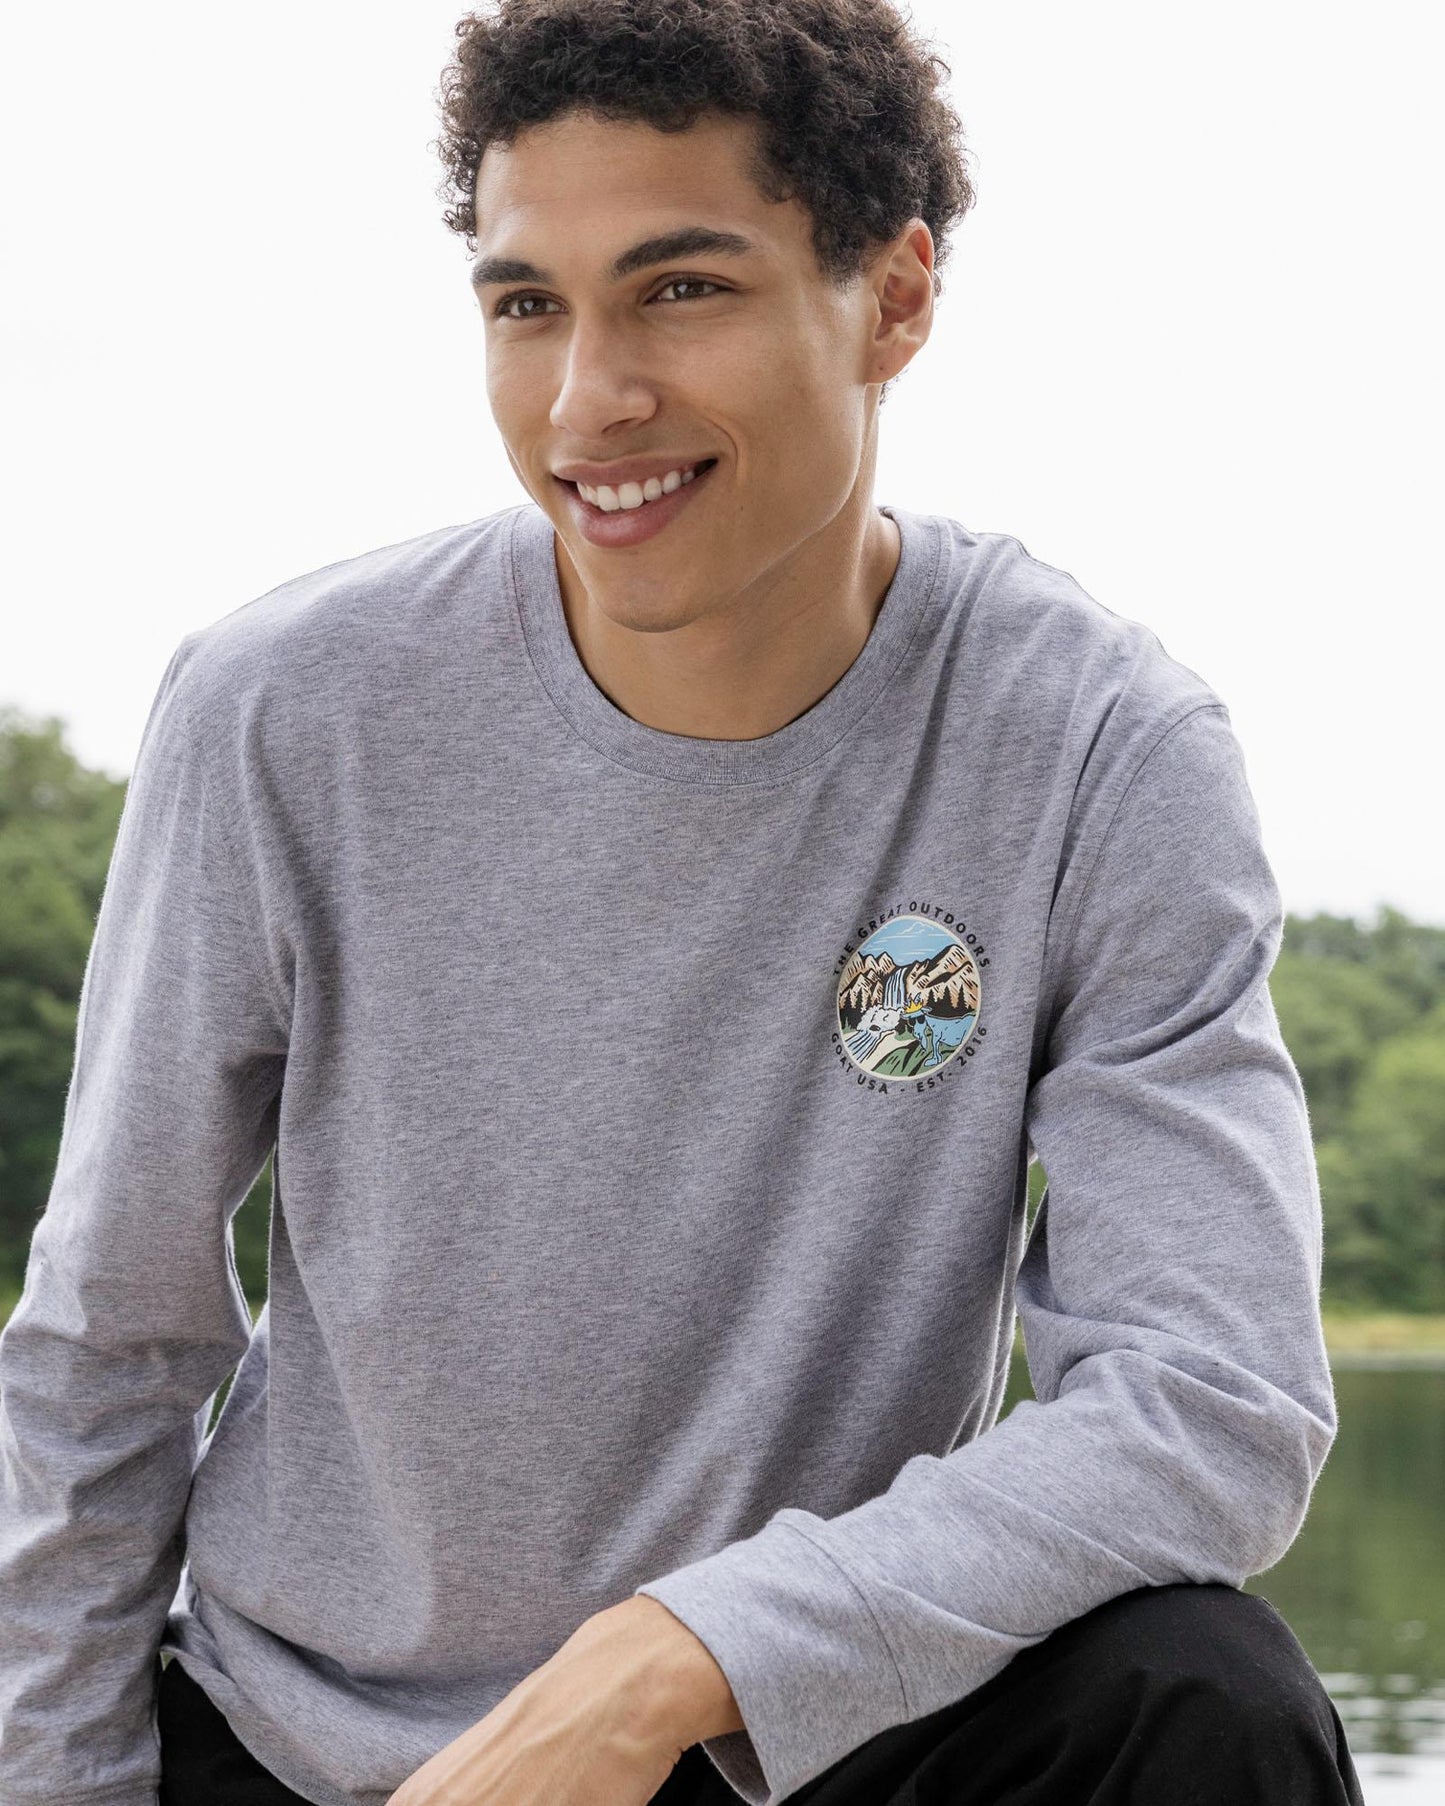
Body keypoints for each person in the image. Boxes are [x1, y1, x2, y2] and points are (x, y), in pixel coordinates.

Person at [0, 2, 1363, 1803]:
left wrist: (676, 1656)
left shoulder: (1102, 752)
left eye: (681, 290)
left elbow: (1214, 1397)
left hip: (803, 1740)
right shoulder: (282, 709)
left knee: (1207, 1697)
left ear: (892, 296)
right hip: (309, 1750)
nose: (586, 402)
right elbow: (112, 1341)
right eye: (525, 305)